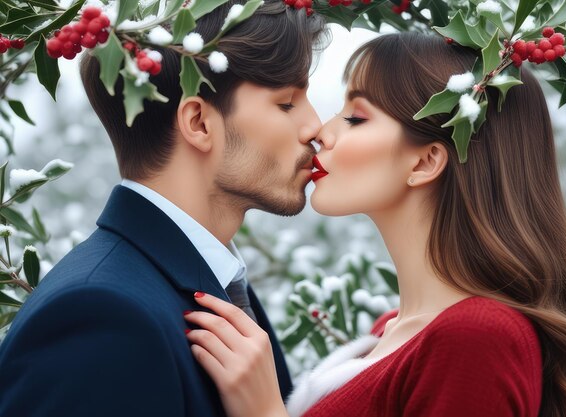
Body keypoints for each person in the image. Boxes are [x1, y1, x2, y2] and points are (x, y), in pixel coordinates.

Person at [183, 32, 566, 417]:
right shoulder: (390, 333)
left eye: (355, 117)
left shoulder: (476, 339)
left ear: (426, 161)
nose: (320, 132)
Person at [0, 2, 326, 416]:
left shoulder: (215, 289)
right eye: (287, 103)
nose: (315, 127)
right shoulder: (101, 319)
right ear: (199, 123)